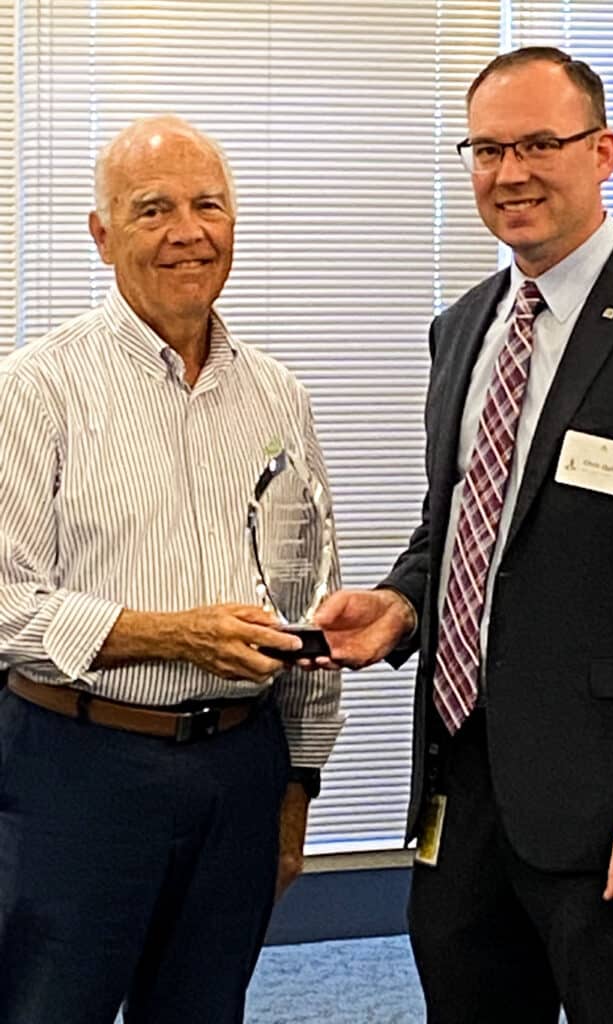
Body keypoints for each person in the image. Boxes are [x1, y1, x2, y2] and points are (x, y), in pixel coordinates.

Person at [313, 47, 613, 1023]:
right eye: (487, 148)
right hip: (462, 796)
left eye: (538, 144)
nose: (509, 172)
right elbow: (462, 523)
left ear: (603, 152)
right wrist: (397, 603)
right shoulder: (462, 328)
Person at [0, 115, 343, 1024]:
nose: (188, 231)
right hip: (78, 768)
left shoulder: (279, 393)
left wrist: (296, 784)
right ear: (102, 232)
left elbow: (311, 595)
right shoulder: (35, 389)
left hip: (241, 769)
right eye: (153, 209)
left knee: (202, 1009)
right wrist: (165, 633)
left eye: (209, 205)